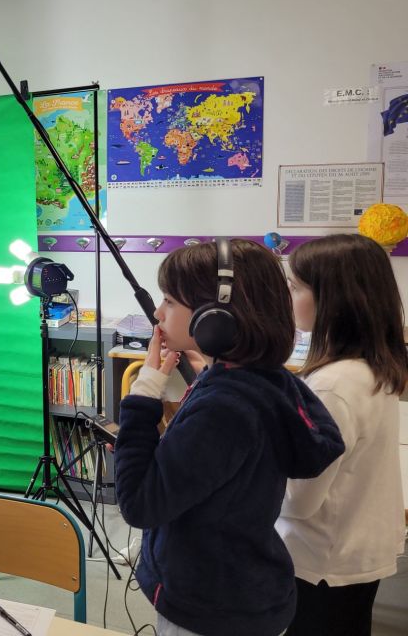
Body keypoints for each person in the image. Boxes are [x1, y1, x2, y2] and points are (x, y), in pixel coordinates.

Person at [114, 238, 345, 636]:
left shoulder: (223, 409)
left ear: (215, 317)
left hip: (208, 608)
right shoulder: (265, 379)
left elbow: (139, 504)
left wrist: (145, 392)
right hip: (241, 591)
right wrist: (209, 371)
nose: (157, 313)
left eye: (169, 301)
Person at [278, 234, 408, 636]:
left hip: (322, 560)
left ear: (333, 300)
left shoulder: (332, 385)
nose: (287, 296)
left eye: (295, 287)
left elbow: (299, 501)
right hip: (354, 551)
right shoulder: (371, 367)